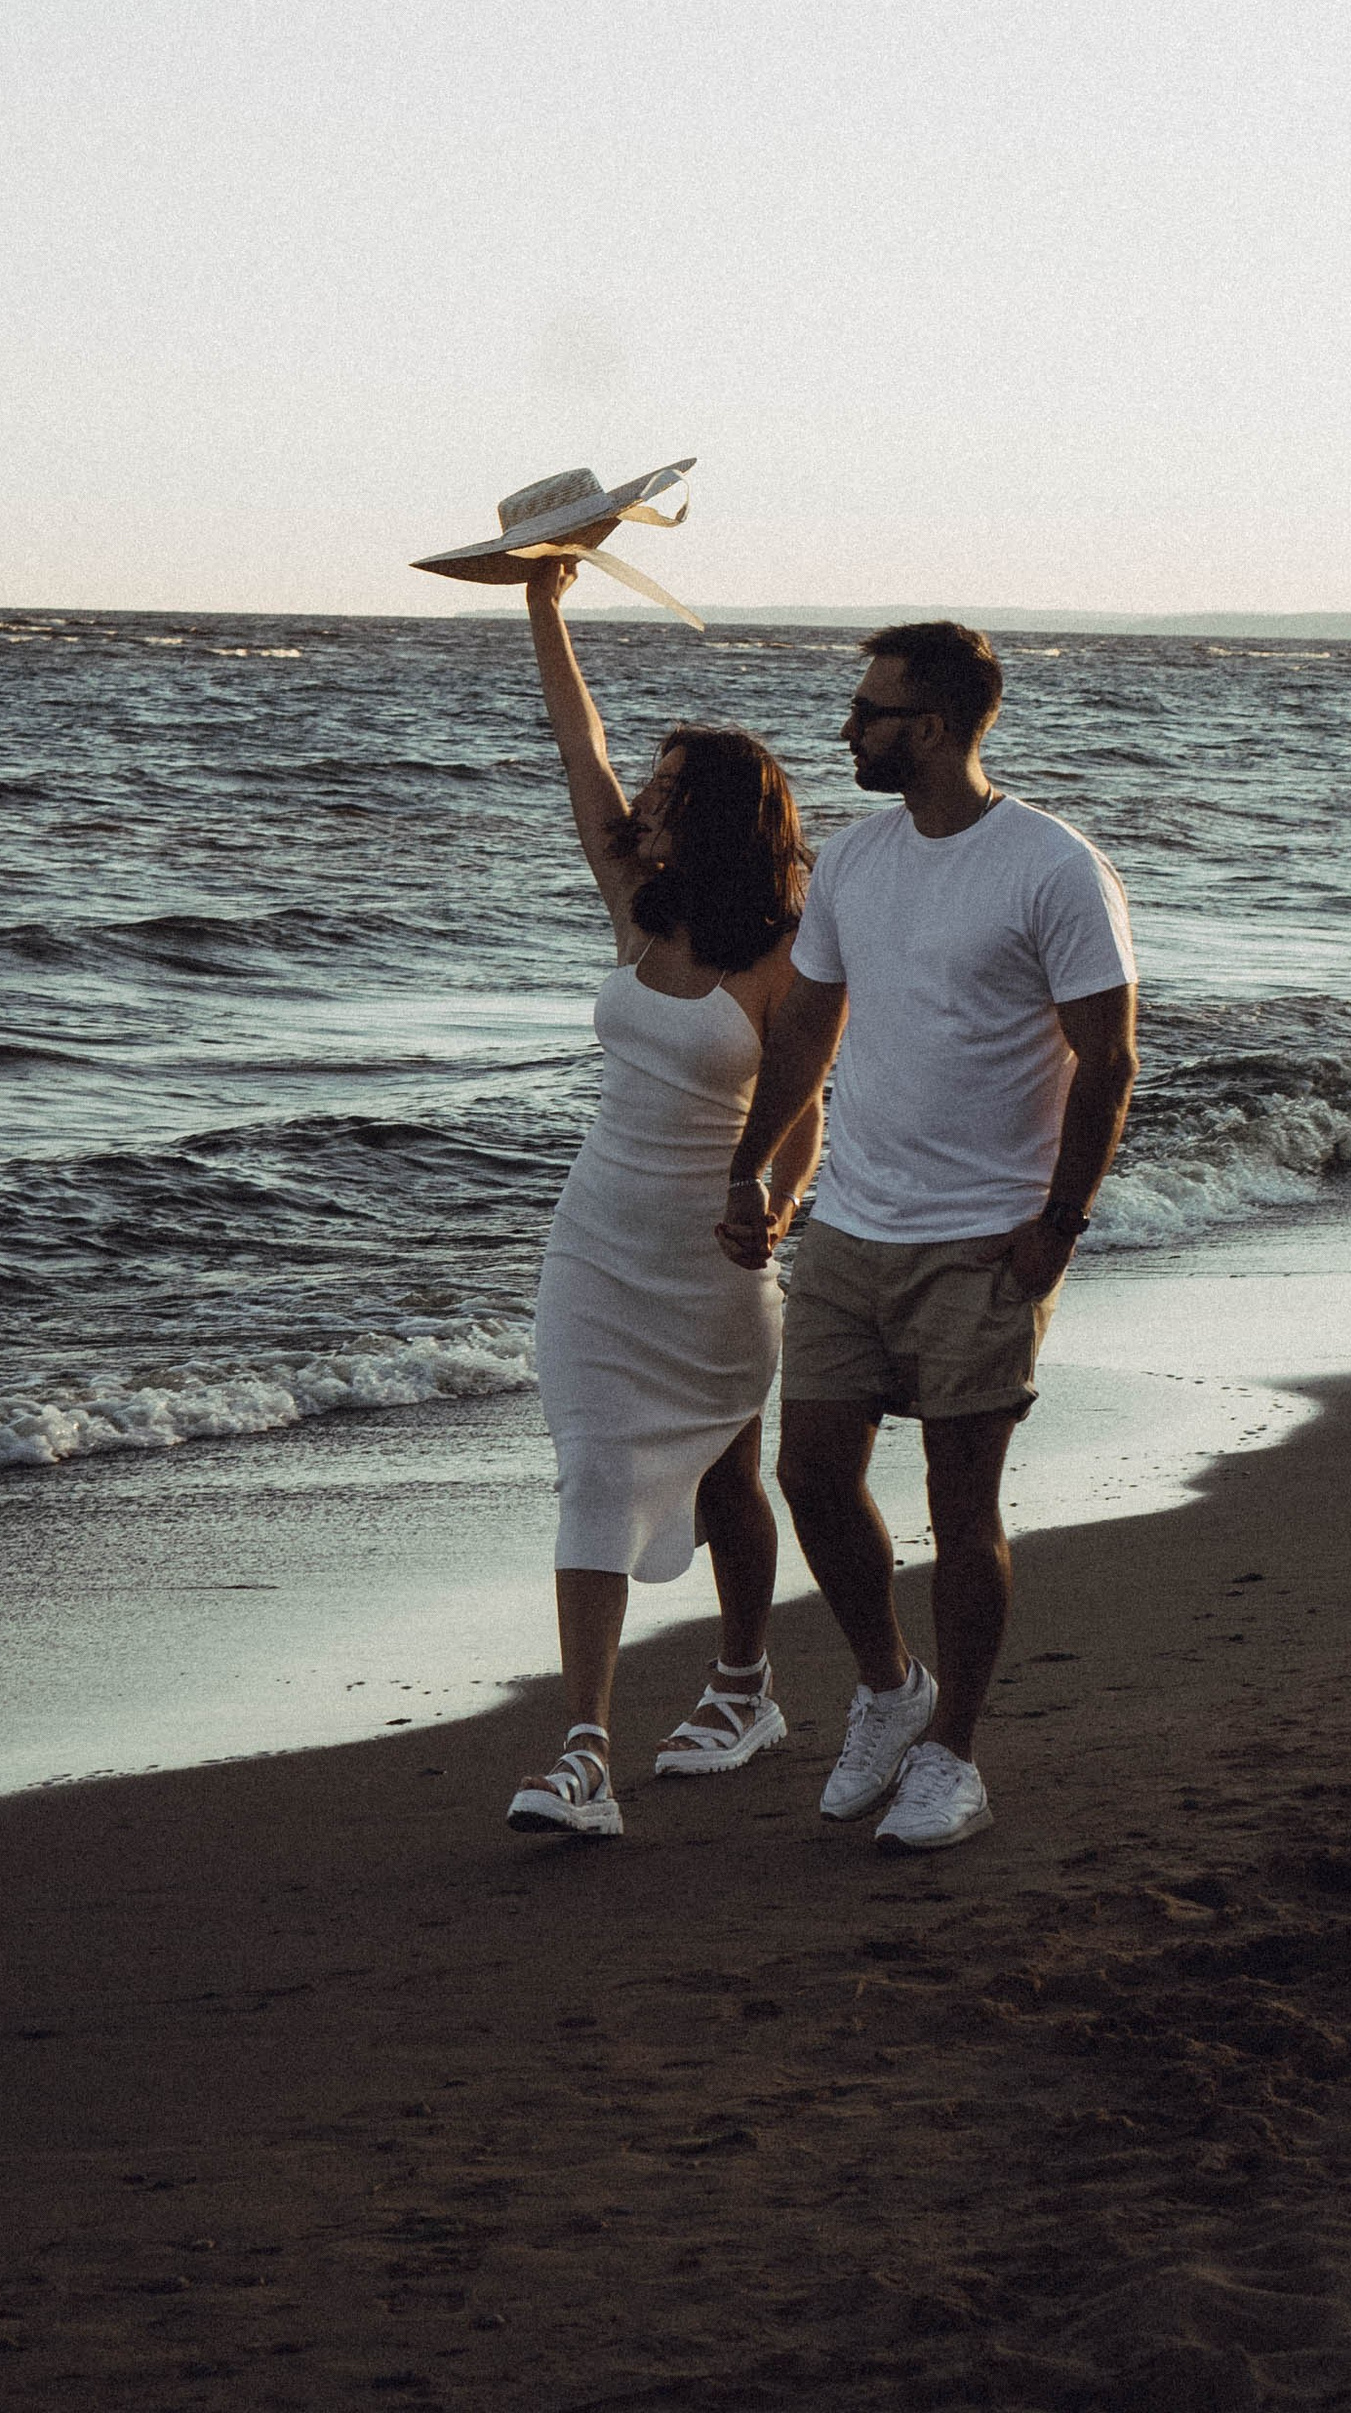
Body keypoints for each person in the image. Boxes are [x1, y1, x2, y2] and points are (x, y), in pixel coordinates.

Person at [717, 621, 1137, 1852]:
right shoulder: (854, 863)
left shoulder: (1051, 867)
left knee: (964, 1508)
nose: (848, 729)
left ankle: (956, 1752)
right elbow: (806, 1033)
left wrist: (1057, 1229)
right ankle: (889, 1690)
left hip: (986, 1238)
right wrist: (754, 1168)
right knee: (810, 1475)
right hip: (852, 1219)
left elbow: (1108, 1060)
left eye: (871, 711)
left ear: (937, 728)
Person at [504, 558, 824, 1842]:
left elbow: (802, 1109)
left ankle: (743, 1685)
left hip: (712, 1254)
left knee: (728, 1480)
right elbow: (572, 743)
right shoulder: (639, 910)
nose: (643, 798)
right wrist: (543, 604)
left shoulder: (787, 957)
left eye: (673, 790)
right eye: (651, 783)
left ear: (731, 819)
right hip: (595, 1239)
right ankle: (584, 1748)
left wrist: (781, 1209)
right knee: (590, 1463)